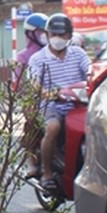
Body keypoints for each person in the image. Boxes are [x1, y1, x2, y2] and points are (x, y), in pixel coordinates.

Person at [26, 13, 90, 194]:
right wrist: (46, 93)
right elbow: (33, 81)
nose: (58, 39)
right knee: (52, 127)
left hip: (79, 106)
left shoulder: (78, 54)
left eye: (62, 35)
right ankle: (47, 173)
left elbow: (90, 71)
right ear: (47, 35)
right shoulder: (38, 59)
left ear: (69, 36)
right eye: (54, 34)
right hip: (52, 106)